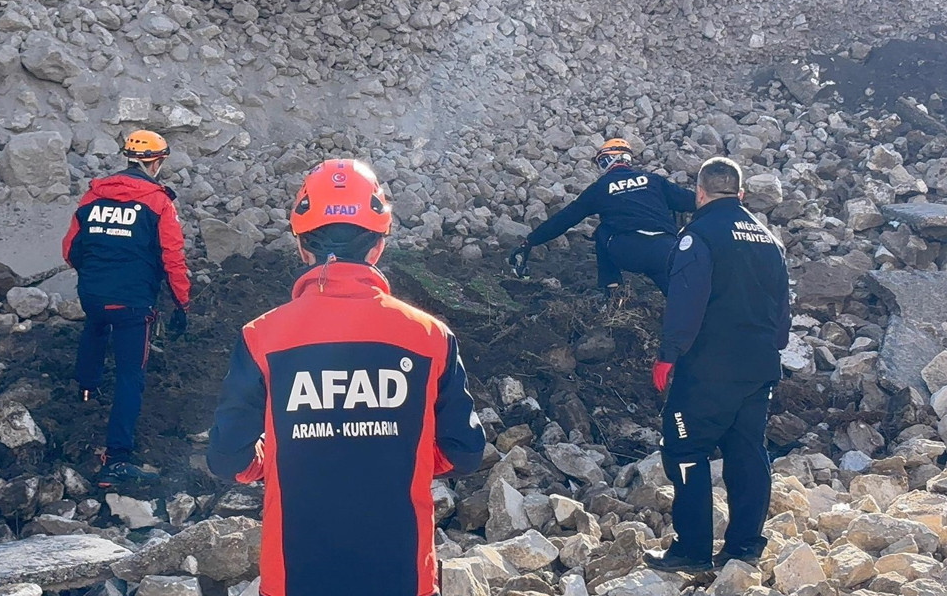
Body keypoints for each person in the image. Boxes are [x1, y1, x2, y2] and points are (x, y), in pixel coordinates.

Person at [207, 159, 487, 596]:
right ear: (377, 246)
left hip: (295, 578)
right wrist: (400, 451)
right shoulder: (431, 337)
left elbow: (228, 458)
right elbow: (466, 452)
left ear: (302, 245)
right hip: (401, 577)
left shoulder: (261, 337)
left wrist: (278, 459)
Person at [644, 157, 791, 573]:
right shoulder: (769, 239)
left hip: (709, 369)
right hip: (759, 367)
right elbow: (783, 309)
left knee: (685, 447)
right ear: (741, 194)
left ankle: (691, 550)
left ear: (700, 194)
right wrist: (773, 347)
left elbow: (686, 301)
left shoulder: (699, 235)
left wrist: (668, 355)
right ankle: (744, 547)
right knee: (747, 450)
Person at [62, 129, 191, 485]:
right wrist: (182, 302)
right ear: (158, 161)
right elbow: (173, 258)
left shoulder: (92, 196)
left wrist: (96, 274)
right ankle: (117, 457)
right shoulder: (159, 202)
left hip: (93, 294)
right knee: (130, 375)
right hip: (133, 303)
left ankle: (85, 390)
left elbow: (71, 249)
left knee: (96, 325)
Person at [508, 139, 696, 297]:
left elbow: (565, 219)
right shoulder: (654, 180)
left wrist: (531, 240)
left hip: (629, 252)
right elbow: (693, 202)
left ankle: (612, 291)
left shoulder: (600, 187)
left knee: (603, 231)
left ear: (609, 160)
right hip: (668, 250)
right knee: (682, 302)